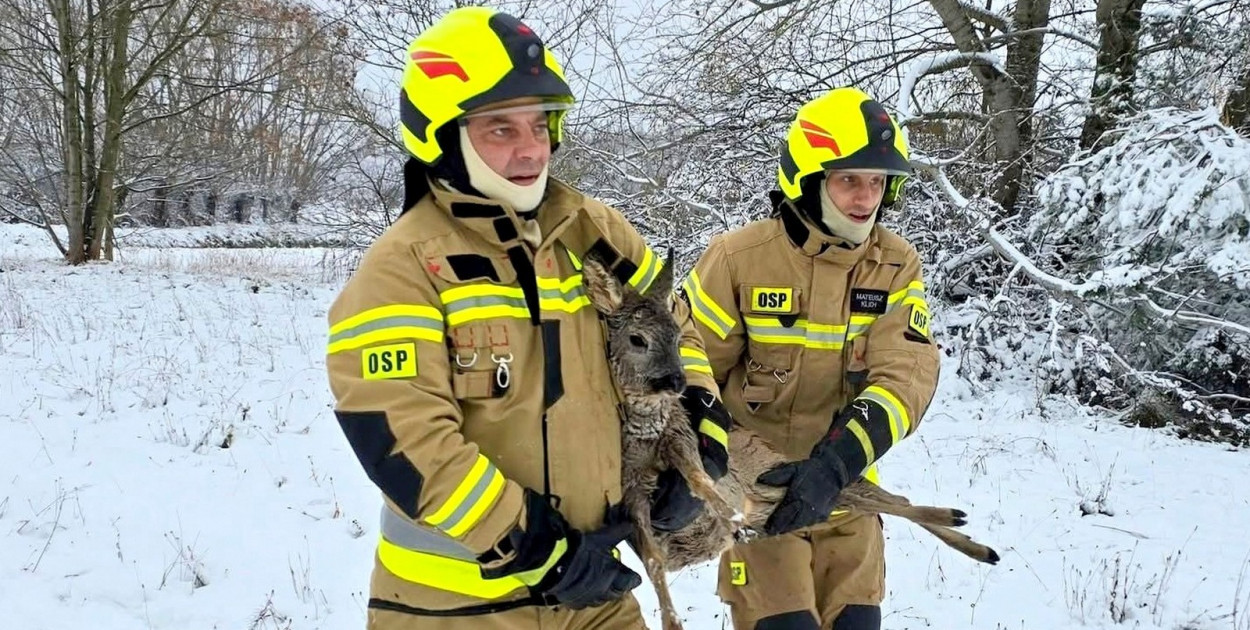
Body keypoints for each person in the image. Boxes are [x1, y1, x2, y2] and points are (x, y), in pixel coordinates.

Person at [323, 6, 732, 629]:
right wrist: (538, 546)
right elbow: (404, 437)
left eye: (539, 125)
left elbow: (680, 326)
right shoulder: (402, 266)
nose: (530, 149)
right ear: (444, 134)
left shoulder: (594, 231)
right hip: (456, 608)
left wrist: (703, 434)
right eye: (500, 129)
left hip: (596, 597)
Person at [680, 86, 941, 630]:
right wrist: (717, 451)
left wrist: (838, 462)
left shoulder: (895, 265)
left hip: (848, 496)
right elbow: (687, 356)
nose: (865, 198)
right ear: (808, 178)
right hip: (761, 500)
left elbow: (907, 373)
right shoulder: (737, 259)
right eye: (849, 179)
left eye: (877, 181)